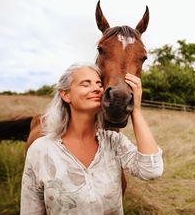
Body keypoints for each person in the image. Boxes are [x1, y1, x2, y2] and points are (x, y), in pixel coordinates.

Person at [20, 63, 163, 215]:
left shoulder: (113, 142)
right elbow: (30, 210)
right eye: (85, 84)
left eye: (99, 84)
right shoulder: (41, 149)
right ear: (65, 95)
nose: (96, 88)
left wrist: (136, 110)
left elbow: (151, 170)